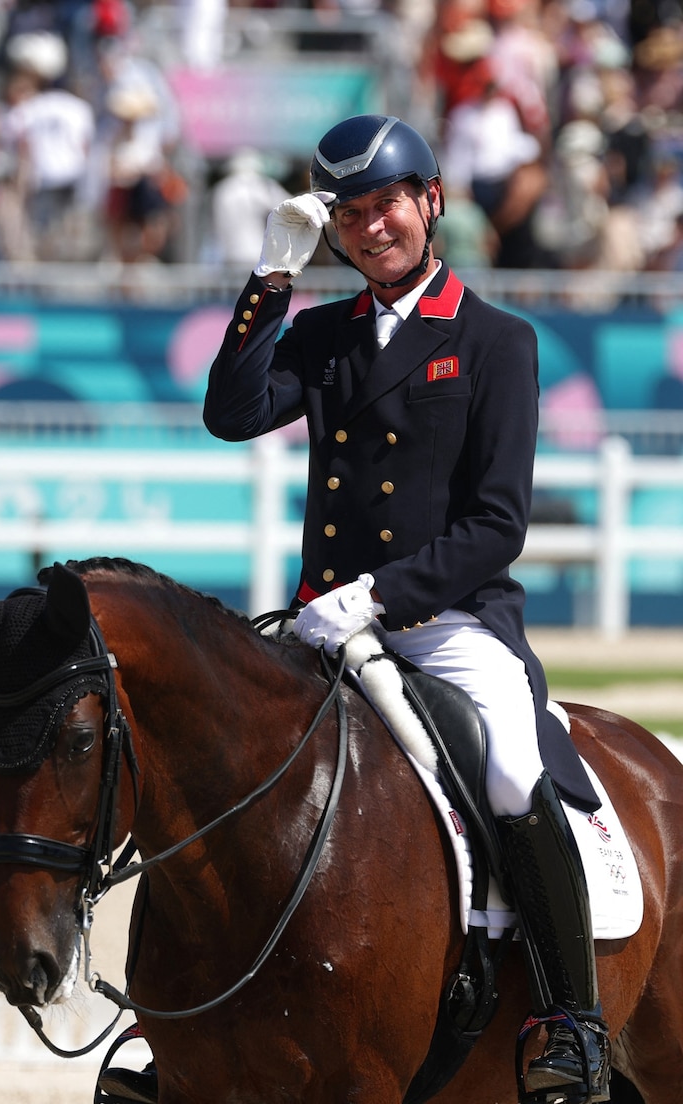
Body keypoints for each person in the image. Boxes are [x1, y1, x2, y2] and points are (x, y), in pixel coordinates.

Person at [98, 115, 611, 1104]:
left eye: (386, 205)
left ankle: (569, 1020)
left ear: (430, 202)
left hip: (446, 621)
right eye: (350, 215)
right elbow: (230, 413)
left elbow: (496, 524)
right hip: (321, 623)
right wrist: (271, 279)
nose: (372, 228)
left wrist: (377, 596)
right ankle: (175, 1034)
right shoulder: (325, 331)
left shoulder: (495, 340)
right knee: (215, 780)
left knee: (509, 766)